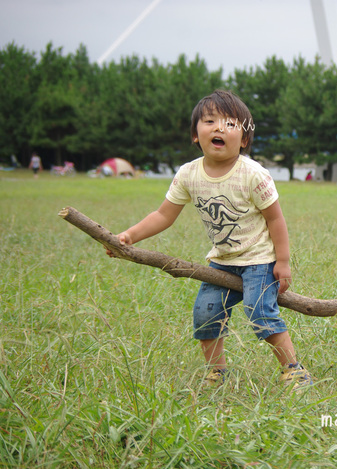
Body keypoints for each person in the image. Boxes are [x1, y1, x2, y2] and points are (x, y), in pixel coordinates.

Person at [106, 90, 312, 390]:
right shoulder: (189, 174)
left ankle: (293, 368)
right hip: (222, 262)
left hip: (259, 261)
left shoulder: (253, 174)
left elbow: (275, 219)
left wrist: (282, 262)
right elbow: (163, 215)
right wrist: (128, 236)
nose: (219, 127)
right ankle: (217, 373)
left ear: (243, 139)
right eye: (210, 121)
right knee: (205, 315)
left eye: (230, 124)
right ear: (195, 134)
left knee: (260, 314)